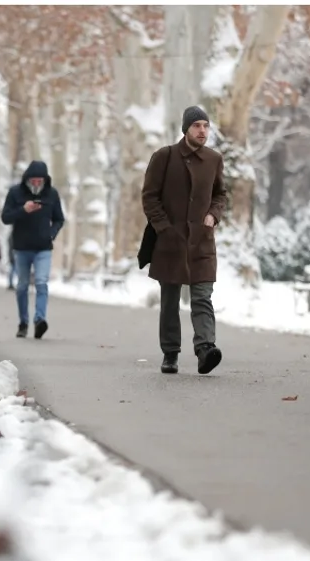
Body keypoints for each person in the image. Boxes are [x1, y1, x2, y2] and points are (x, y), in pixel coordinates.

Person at [141, 105, 227, 375]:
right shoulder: (164, 157)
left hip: (202, 240)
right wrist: (164, 228)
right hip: (171, 240)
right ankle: (170, 353)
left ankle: (205, 348)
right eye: (196, 126)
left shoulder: (214, 160)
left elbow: (220, 195)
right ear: (186, 129)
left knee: (202, 296)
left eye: (205, 125)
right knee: (170, 300)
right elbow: (149, 196)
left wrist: (213, 215)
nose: (202, 131)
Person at [1, 160, 65, 339]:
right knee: (22, 286)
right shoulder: (15, 193)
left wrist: (51, 234)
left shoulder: (51, 195)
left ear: (45, 180)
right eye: (33, 181)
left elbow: (59, 219)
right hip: (22, 248)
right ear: (27, 179)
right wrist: (23, 210)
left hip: (43, 248)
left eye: (40, 181)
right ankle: (23, 322)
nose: (36, 185)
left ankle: (39, 320)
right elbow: (5, 218)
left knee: (41, 282)